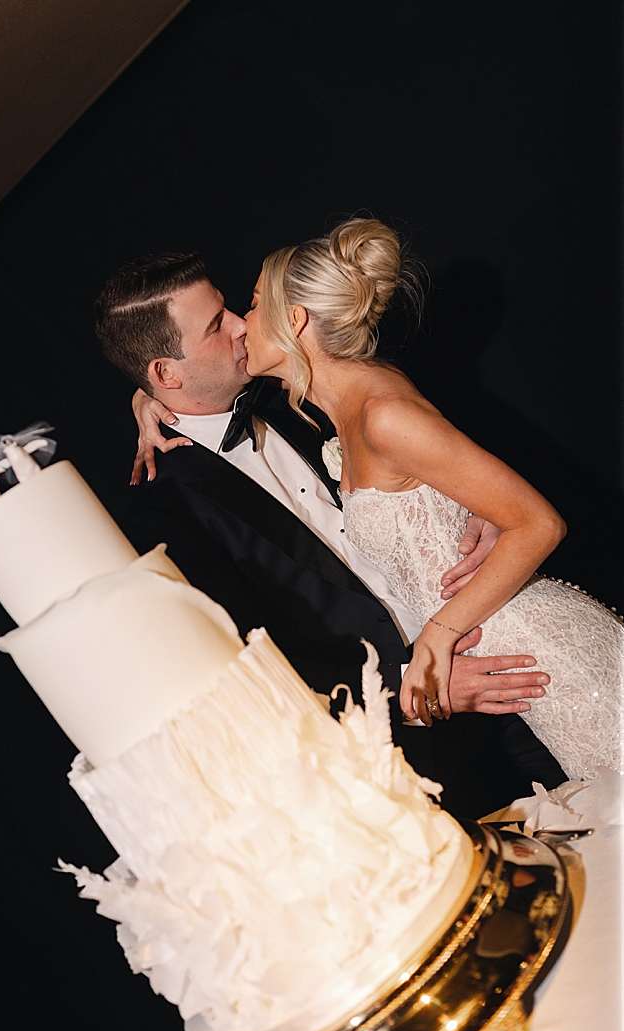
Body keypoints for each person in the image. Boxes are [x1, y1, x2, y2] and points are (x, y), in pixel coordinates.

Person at [95, 252, 569, 815]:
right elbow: (255, 667)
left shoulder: (299, 385)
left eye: (231, 308)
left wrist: (484, 509)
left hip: (513, 647)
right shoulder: (165, 513)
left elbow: (431, 446)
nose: (243, 325)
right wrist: (418, 694)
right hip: (419, 750)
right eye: (216, 324)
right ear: (166, 375)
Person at [240, 218, 621, 777]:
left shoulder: (383, 413)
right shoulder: (348, 412)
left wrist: (436, 636)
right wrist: (149, 399)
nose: (240, 322)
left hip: (558, 657)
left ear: (294, 320)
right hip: (527, 667)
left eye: (251, 305)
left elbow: (540, 524)